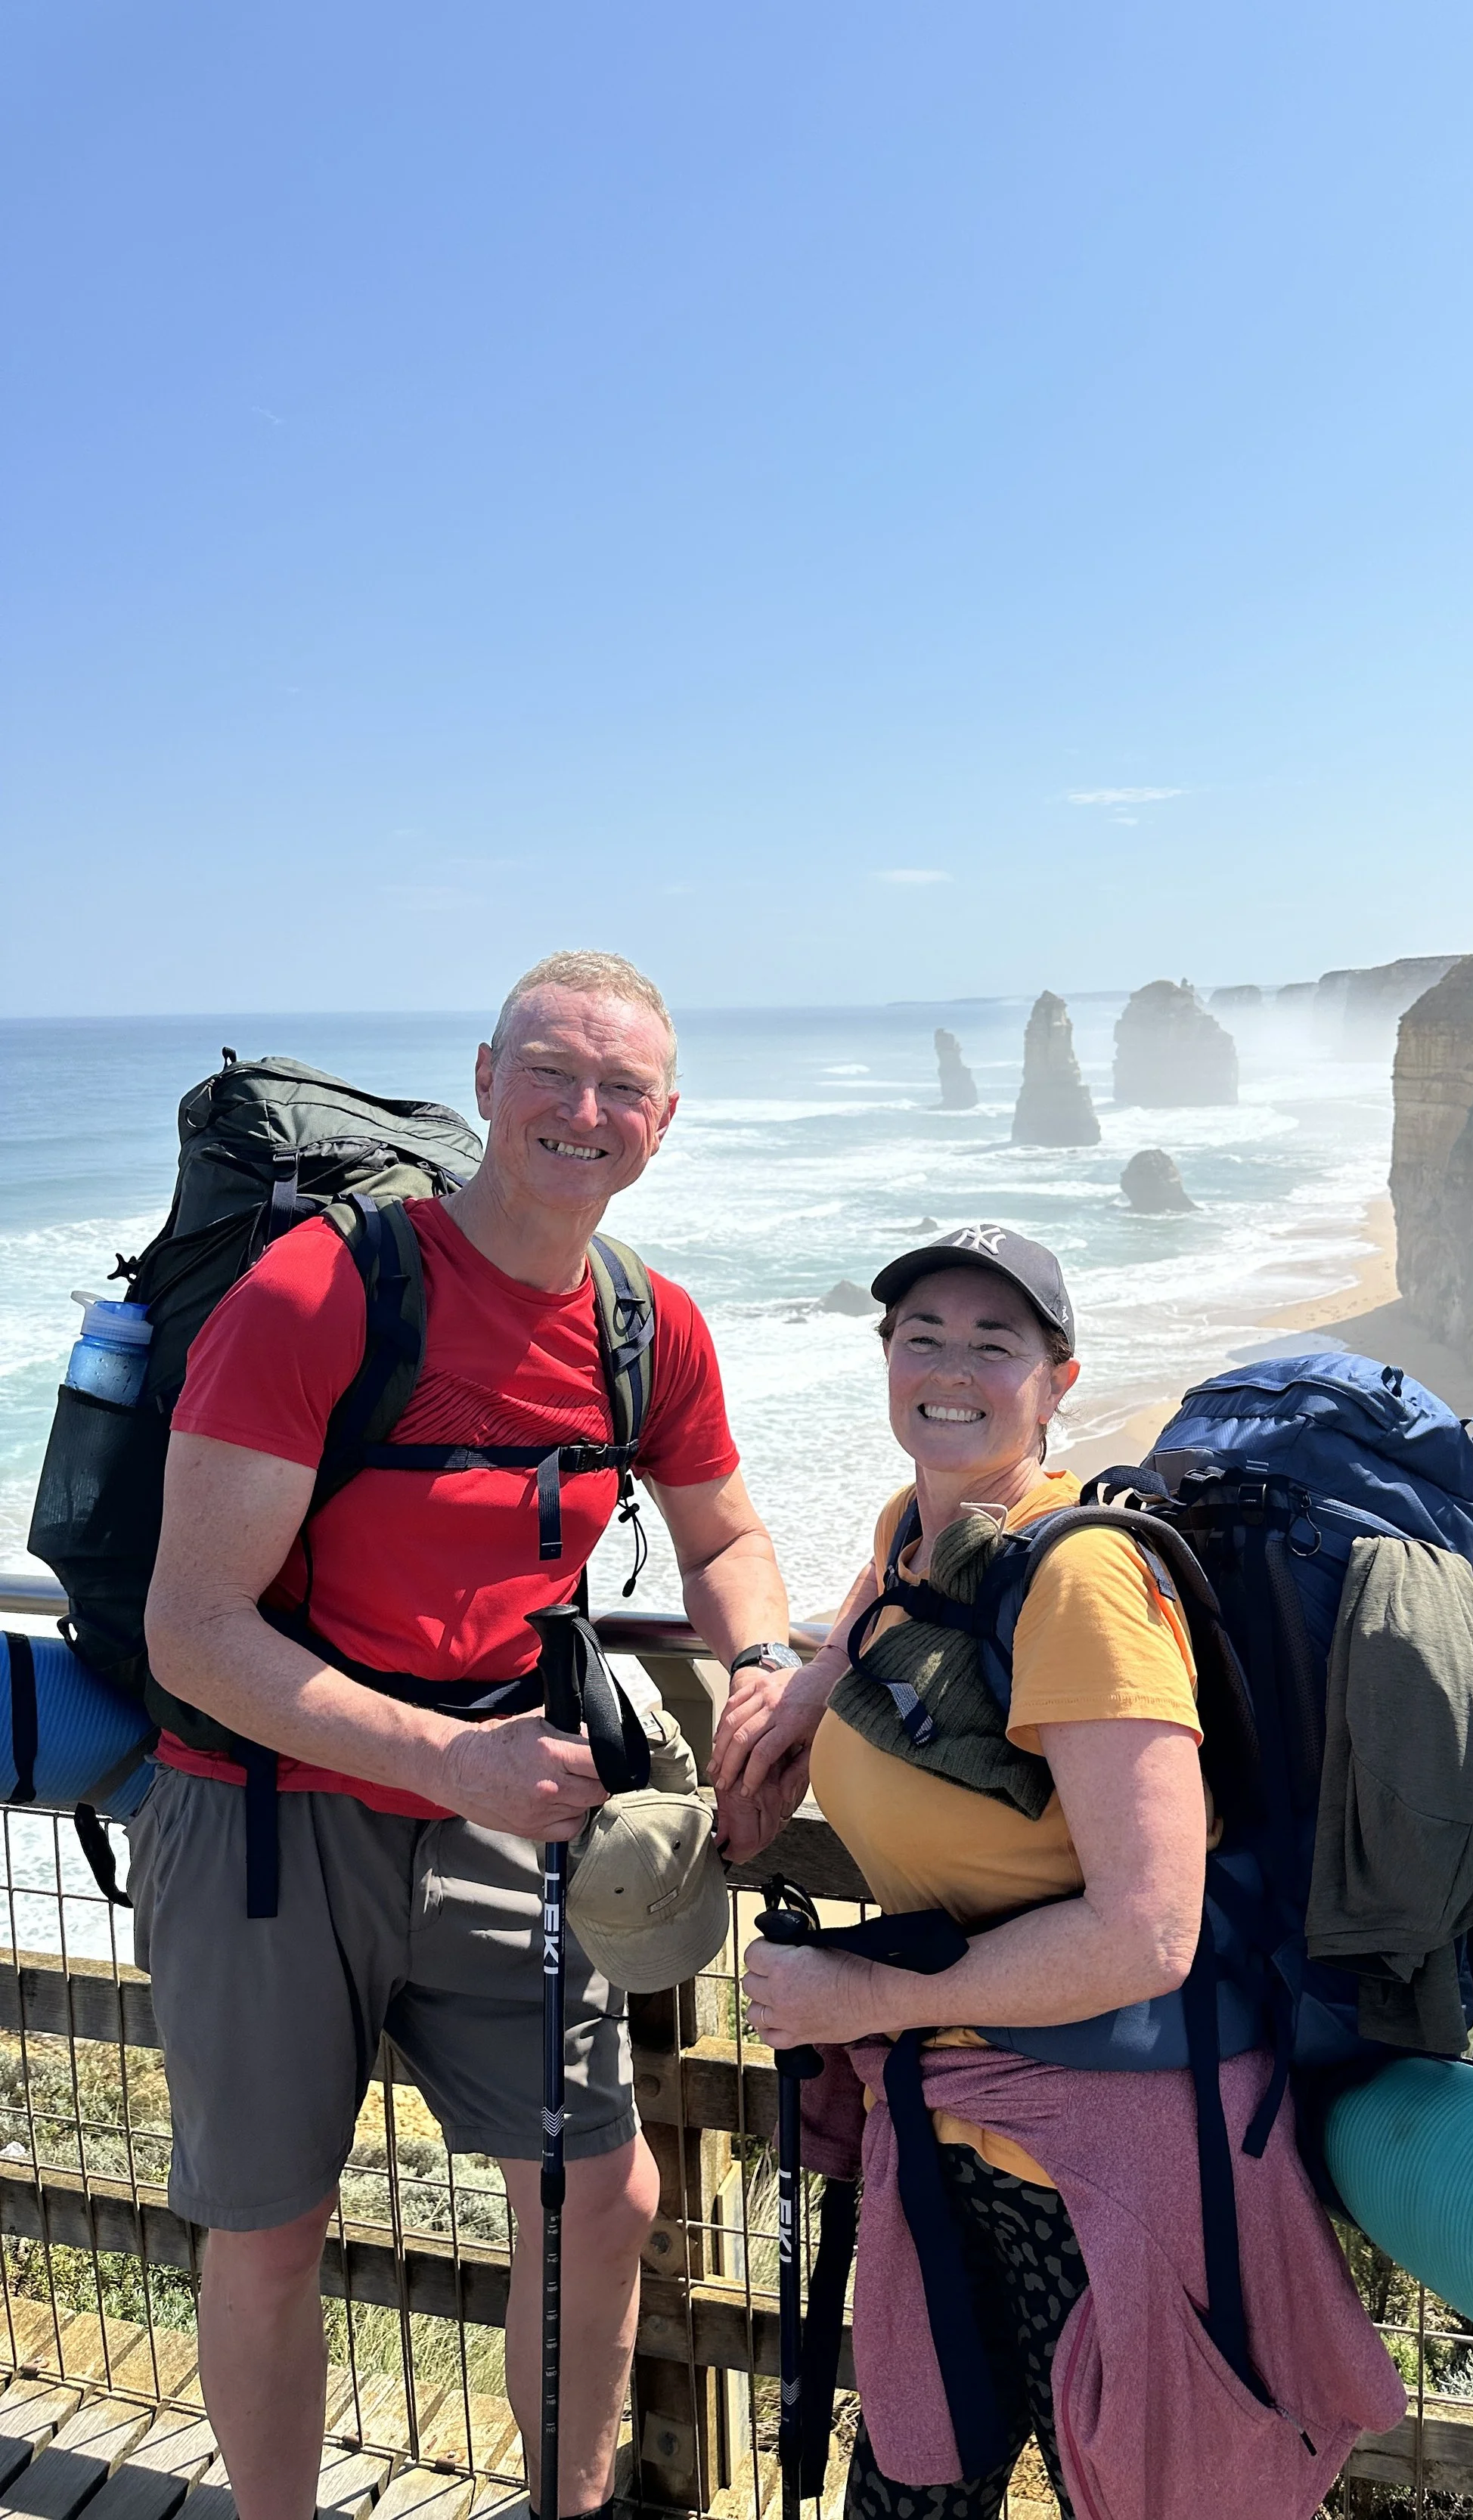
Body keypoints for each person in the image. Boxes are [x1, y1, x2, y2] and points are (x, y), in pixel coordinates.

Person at [141, 951, 799, 2520]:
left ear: (663, 1120)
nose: (584, 1111)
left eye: (620, 1089)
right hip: (263, 1813)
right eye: (552, 1073)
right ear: (487, 1079)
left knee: (599, 2194)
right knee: (273, 2226)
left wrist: (766, 1667)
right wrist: (449, 1764)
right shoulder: (317, 1293)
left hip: (509, 1804)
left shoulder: (646, 1320)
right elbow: (192, 1627)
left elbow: (721, 1538)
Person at [712, 1226, 1401, 2520]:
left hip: (1107, 2156)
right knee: (918, 2483)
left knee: (1135, 2493)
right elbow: (875, 1608)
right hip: (960, 2123)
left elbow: (1148, 1935)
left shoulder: (1080, 1578)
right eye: (922, 1335)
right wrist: (794, 1703)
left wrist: (861, 2003)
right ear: (885, 1358)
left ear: (1062, 1377)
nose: (951, 1366)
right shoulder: (921, 1535)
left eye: (994, 1341)